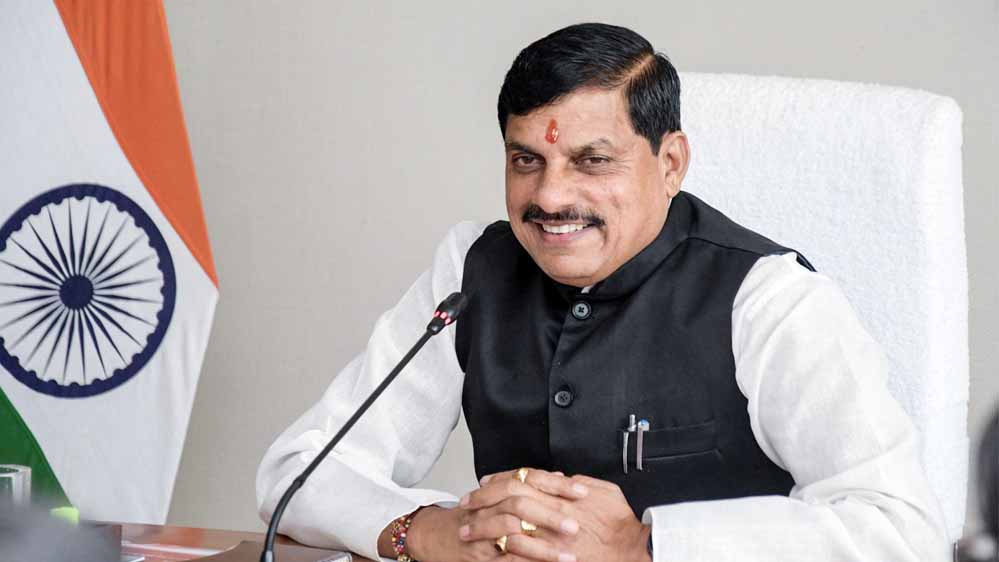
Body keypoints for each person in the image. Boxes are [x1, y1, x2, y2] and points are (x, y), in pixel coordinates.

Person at [257, 23, 949, 562]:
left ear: (670, 162)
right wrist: (429, 531)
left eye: (592, 161)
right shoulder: (472, 274)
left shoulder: (767, 299)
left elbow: (903, 531)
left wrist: (644, 546)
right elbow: (294, 473)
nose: (551, 196)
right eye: (526, 159)